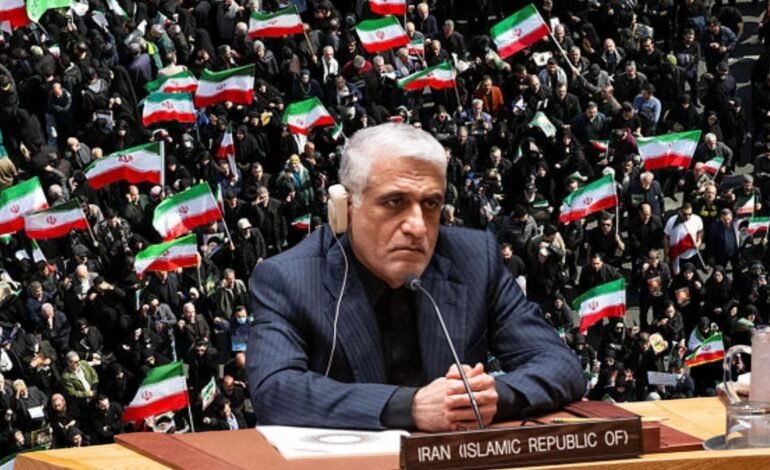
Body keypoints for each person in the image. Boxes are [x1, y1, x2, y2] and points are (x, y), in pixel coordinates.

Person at [247, 123, 585, 431]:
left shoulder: (474, 259)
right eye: (395, 202)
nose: (418, 227)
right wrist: (409, 406)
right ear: (345, 208)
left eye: (431, 204)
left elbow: (561, 364)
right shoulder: (289, 278)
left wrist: (493, 396)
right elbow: (274, 389)